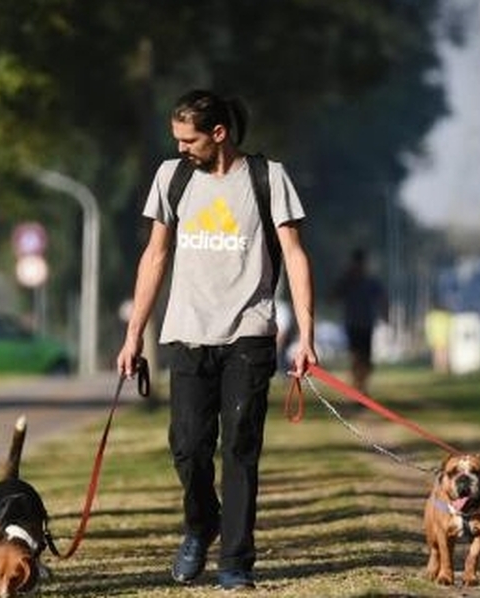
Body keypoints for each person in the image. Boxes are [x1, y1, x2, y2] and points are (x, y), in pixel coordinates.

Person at [116, 89, 317, 591]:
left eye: (189, 139)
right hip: (186, 332)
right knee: (187, 448)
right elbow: (155, 257)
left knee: (240, 450)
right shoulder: (173, 177)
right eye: (177, 139)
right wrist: (133, 333)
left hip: (249, 335)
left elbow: (293, 255)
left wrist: (306, 334)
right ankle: (200, 524)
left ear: (219, 134)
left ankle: (235, 561)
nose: (181, 147)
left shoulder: (269, 178)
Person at [332, 248, 387, 394]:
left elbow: (382, 298)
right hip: (352, 324)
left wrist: (385, 315)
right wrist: (345, 282)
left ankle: (362, 386)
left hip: (367, 324)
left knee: (366, 358)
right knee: (356, 356)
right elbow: (333, 296)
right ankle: (358, 386)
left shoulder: (371, 282)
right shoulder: (347, 280)